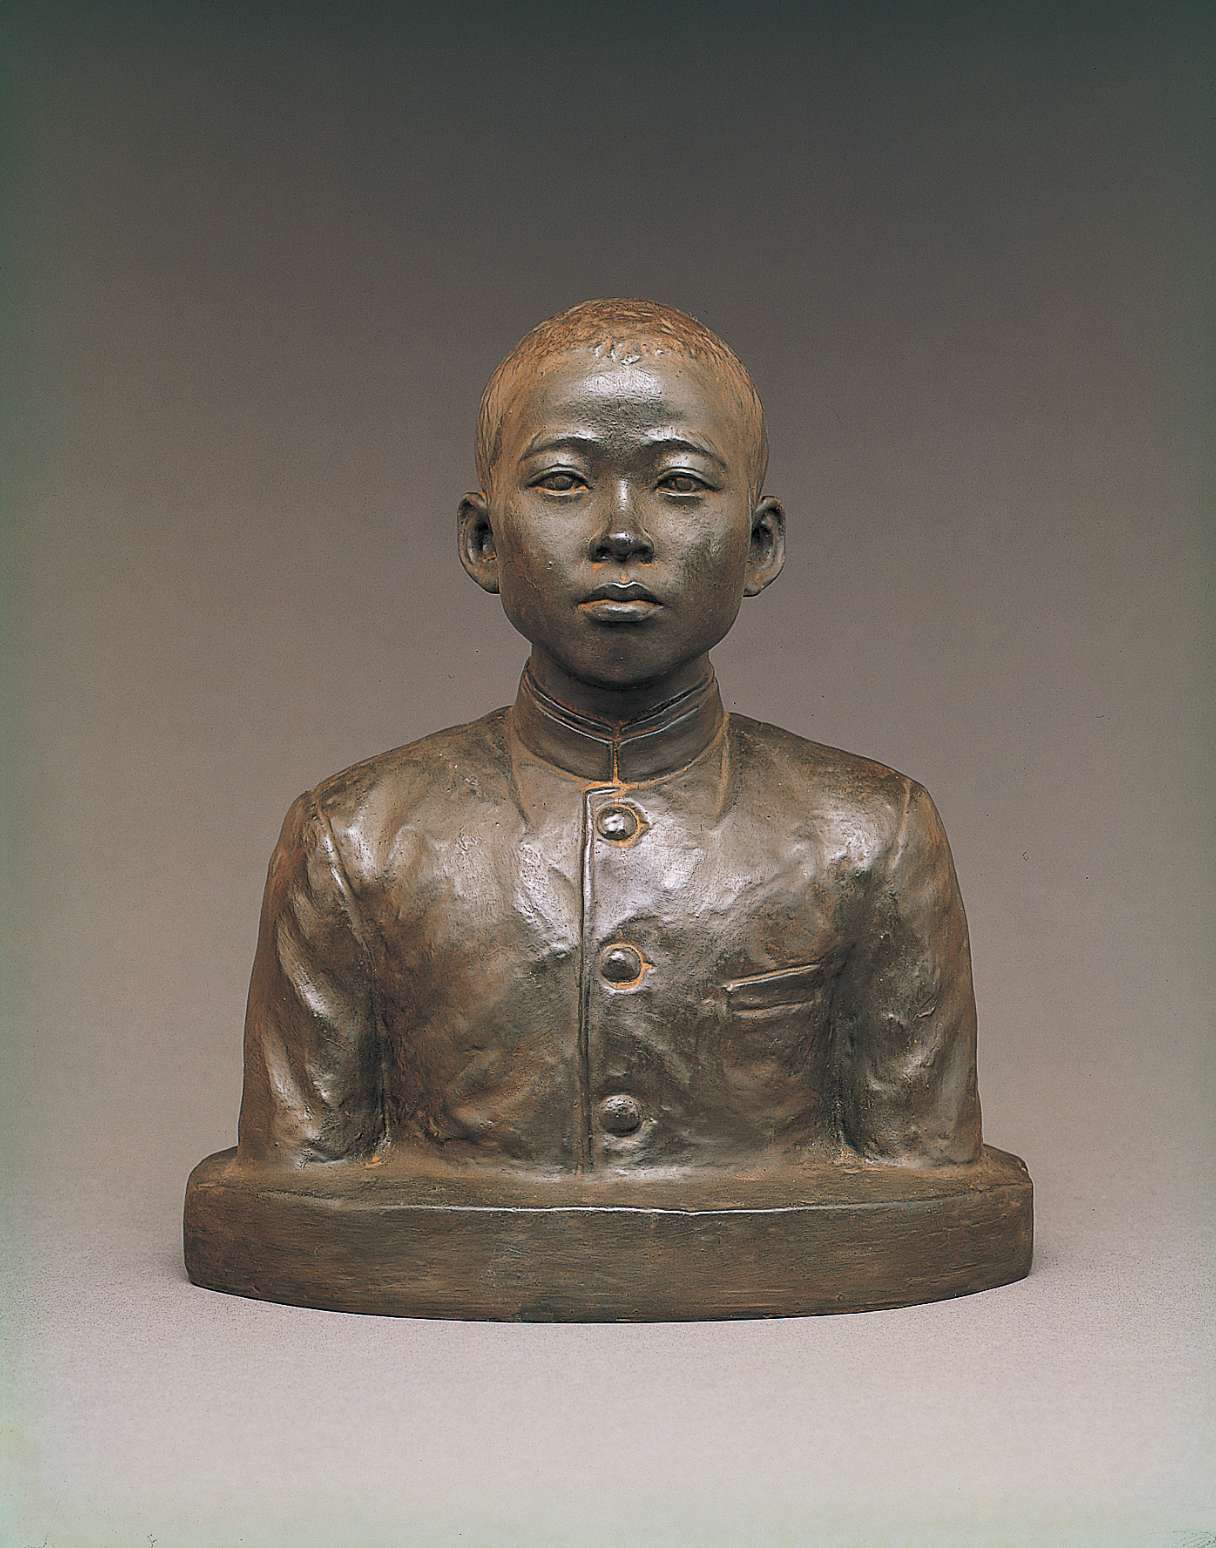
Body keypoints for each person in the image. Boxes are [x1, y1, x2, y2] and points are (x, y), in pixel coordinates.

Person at [235, 297, 982, 1179]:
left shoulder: (874, 836)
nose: (621, 533)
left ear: (759, 543)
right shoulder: (354, 840)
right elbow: (292, 1186)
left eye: (679, 484)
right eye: (562, 482)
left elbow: (927, 1179)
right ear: (483, 539)